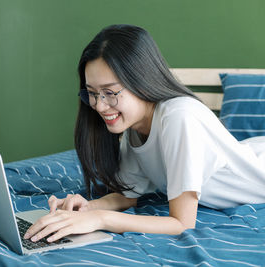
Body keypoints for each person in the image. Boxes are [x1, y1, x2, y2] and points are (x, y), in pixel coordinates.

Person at [24, 24, 265, 243]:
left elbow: (181, 223)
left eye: (109, 92)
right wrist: (86, 208)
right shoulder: (135, 127)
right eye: (93, 93)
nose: (99, 105)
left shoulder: (179, 117)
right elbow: (129, 196)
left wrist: (100, 219)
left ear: (141, 81)